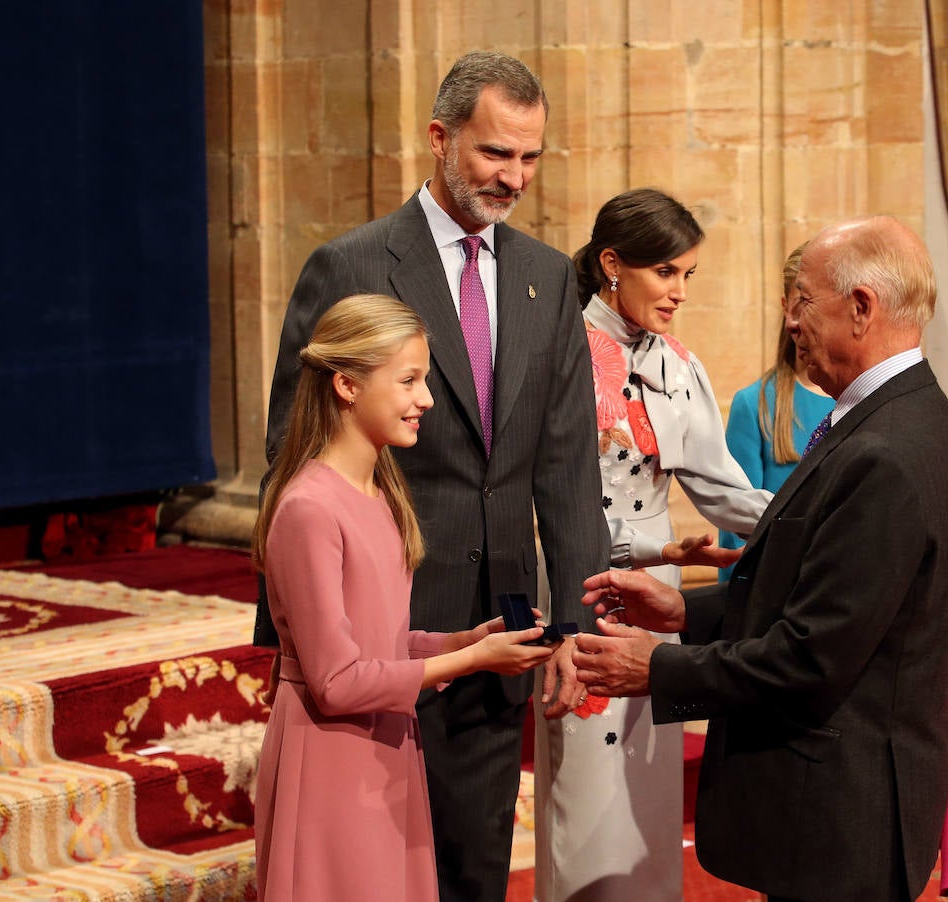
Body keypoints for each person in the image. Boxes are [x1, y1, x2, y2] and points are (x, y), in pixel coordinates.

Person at [253, 52, 609, 902]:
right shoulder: (351, 265)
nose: (514, 177)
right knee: (373, 871)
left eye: (530, 158)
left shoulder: (547, 276)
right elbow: (291, 449)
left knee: (471, 871)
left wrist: (577, 624)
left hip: (497, 629)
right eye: (495, 154)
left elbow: (566, 461)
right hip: (383, 625)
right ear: (440, 139)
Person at [571, 216, 948, 902]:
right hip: (835, 800)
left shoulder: (887, 452)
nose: (789, 322)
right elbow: (810, 590)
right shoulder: (898, 417)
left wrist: (659, 668)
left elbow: (813, 655)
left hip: (842, 806)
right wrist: (684, 610)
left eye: (802, 303)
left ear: (861, 308)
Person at [251, 294, 556, 901]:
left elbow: (383, 643)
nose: (427, 400)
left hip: (386, 743)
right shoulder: (309, 509)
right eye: (409, 381)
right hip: (331, 757)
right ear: (347, 385)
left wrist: (462, 640)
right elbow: (337, 680)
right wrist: (472, 661)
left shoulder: (382, 493)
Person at [532, 187, 772, 901]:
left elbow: (723, 489)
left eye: (688, 276)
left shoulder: (677, 364)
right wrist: (654, 554)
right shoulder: (560, 355)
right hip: (586, 589)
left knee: (648, 788)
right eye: (666, 272)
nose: (679, 292)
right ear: (613, 263)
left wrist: (818, 520)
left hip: (659, 604)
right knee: (586, 787)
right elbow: (545, 505)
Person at [716, 241, 834, 581]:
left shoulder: (859, 402)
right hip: (774, 591)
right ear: (786, 308)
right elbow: (736, 528)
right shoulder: (755, 404)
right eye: (802, 303)